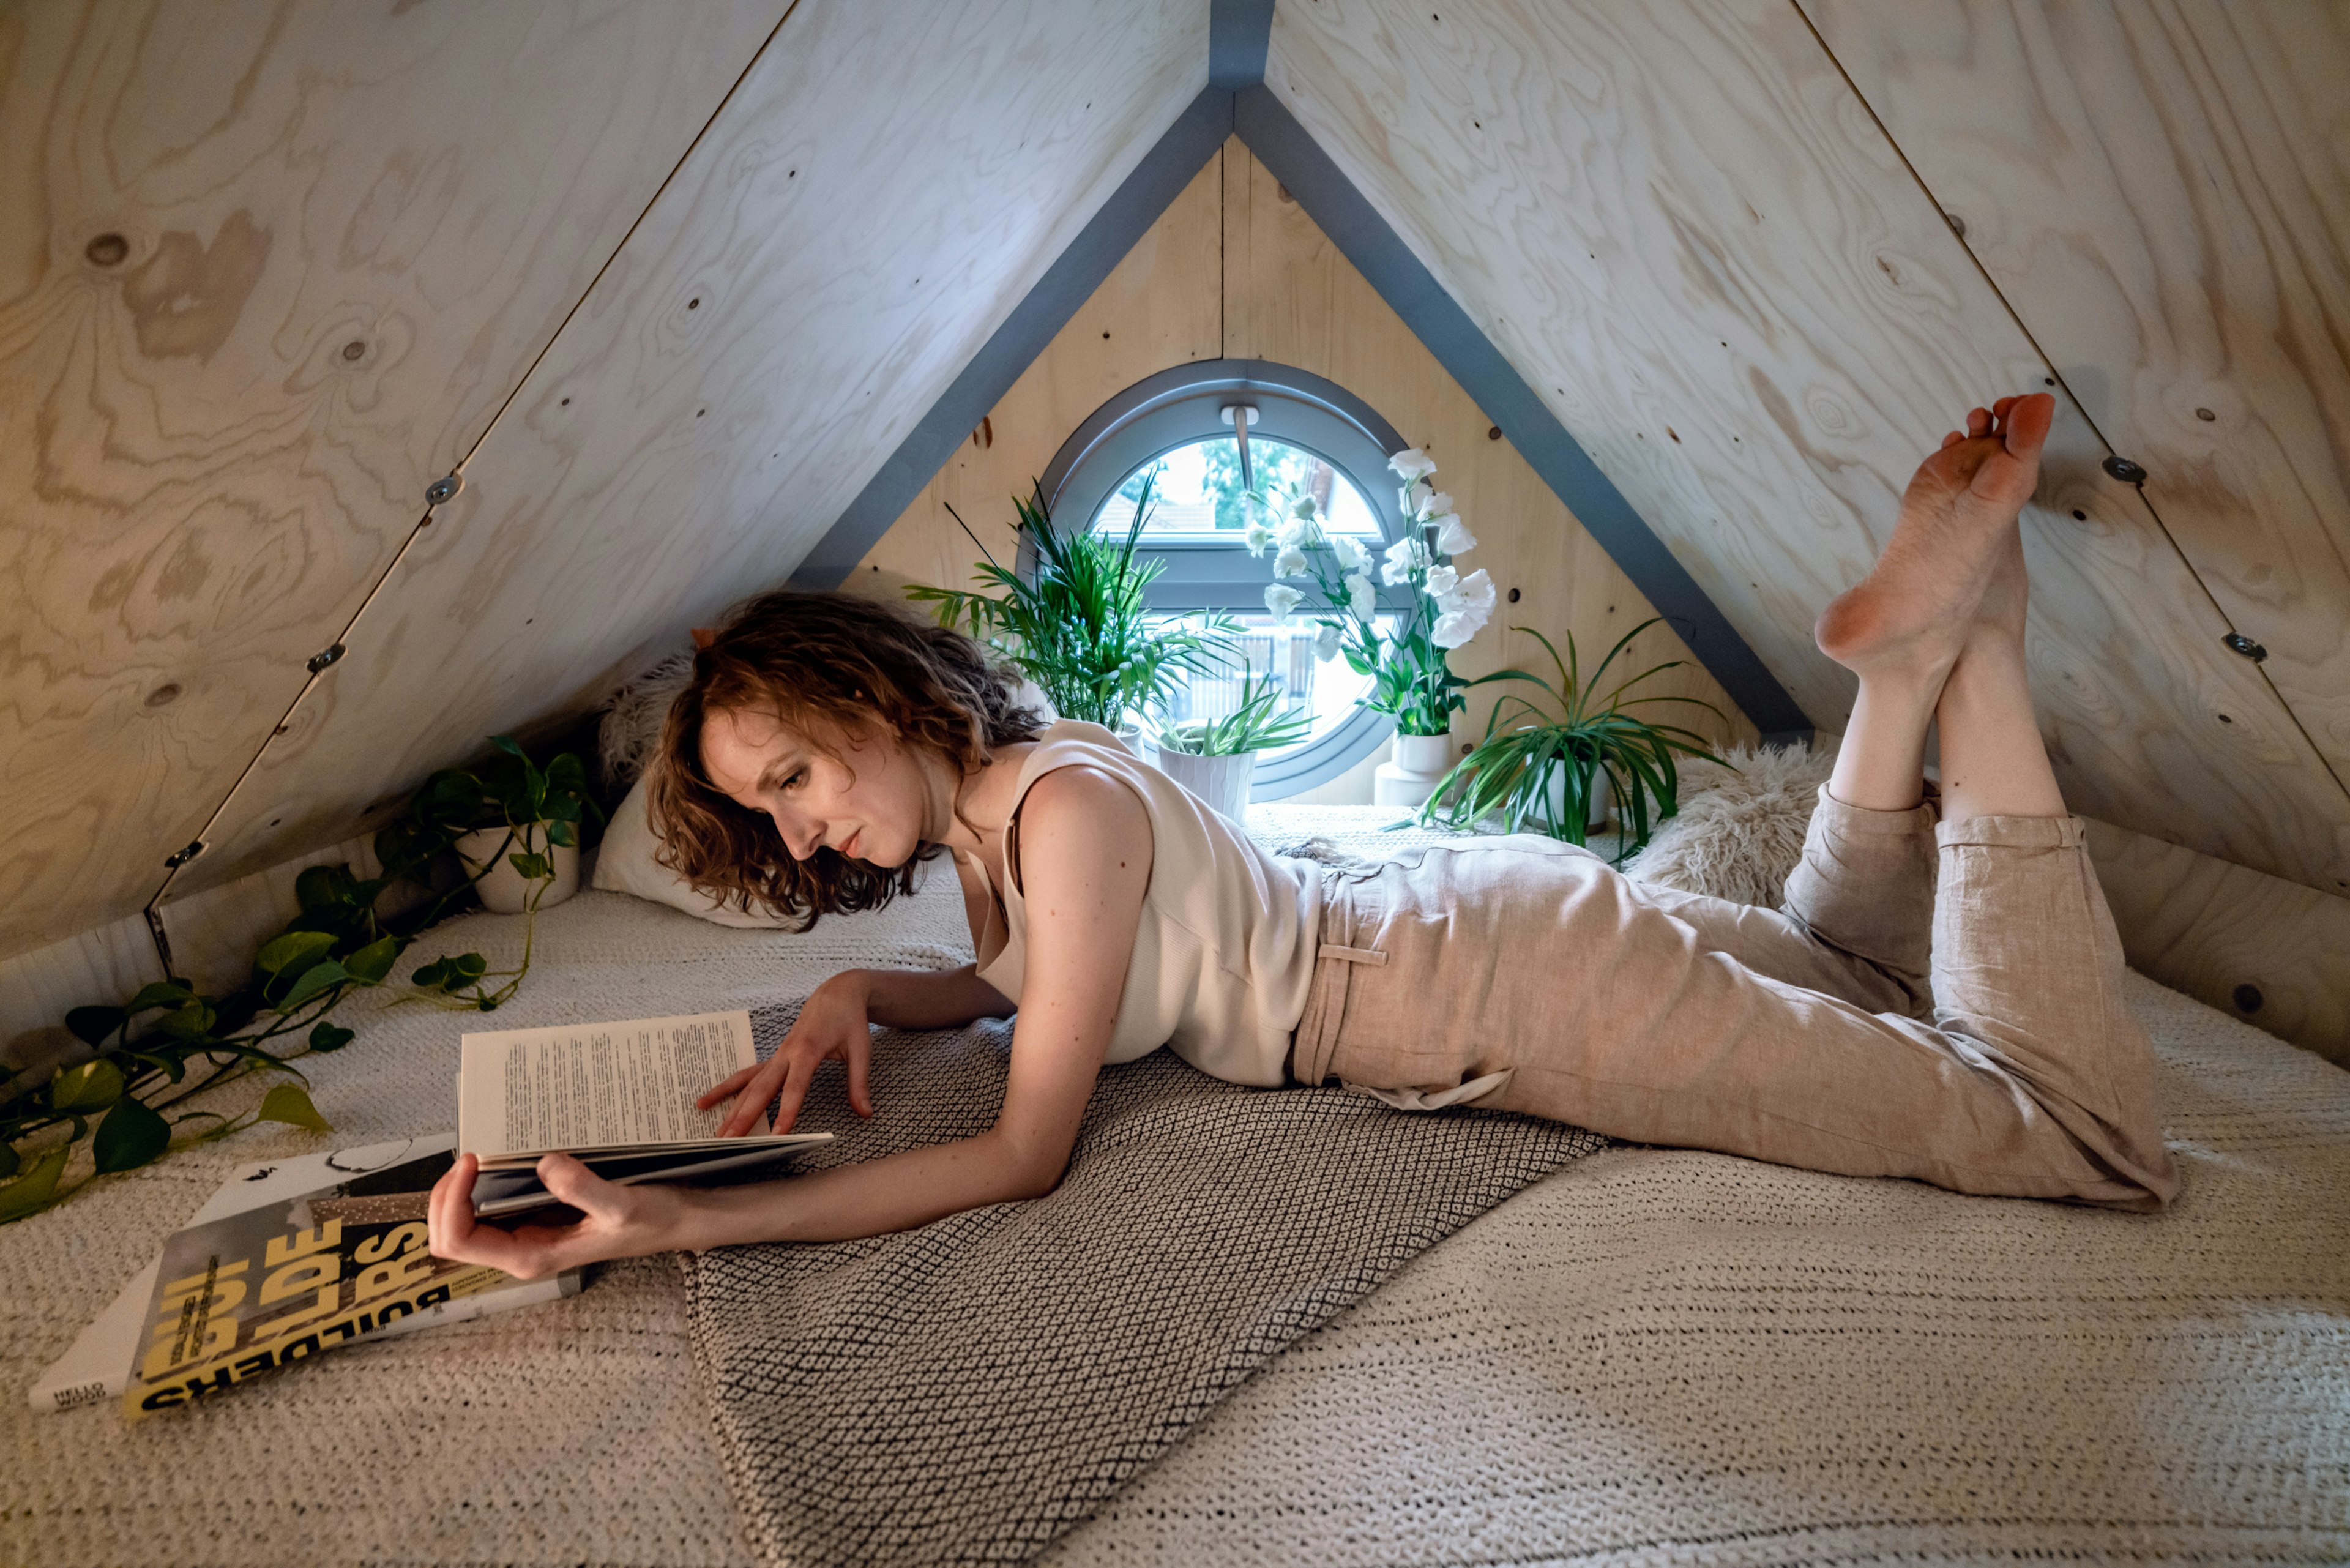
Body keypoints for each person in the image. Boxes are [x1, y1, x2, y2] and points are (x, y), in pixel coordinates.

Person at [427, 391, 2176, 1279]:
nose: (804, 835)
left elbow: (1026, 1150)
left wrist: (684, 1230)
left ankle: (1984, 646)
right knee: (1853, 968)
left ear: (873, 693)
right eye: (769, 813)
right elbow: (1033, 979)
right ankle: (1904, 682)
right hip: (1473, 911)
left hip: (1486, 976)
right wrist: (867, 1005)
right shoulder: (1017, 790)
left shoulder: (1071, 814)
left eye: (797, 774)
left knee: (2070, 1134)